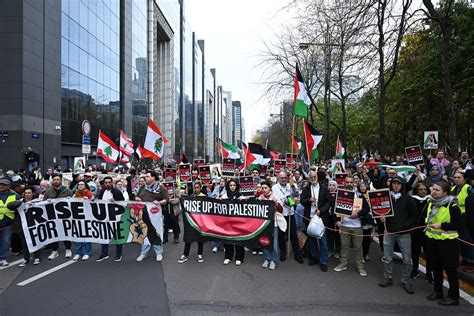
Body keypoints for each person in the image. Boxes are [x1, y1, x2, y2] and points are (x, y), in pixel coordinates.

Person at [425, 181, 463, 306]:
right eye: (433, 189)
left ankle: (453, 297)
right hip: (432, 240)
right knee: (436, 267)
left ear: (445, 193)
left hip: (448, 242)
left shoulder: (452, 205)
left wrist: (442, 225)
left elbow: (459, 225)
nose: (433, 192)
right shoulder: (431, 201)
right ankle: (438, 291)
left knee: (450, 270)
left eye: (437, 190)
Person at [379, 176, 417, 294]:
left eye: (398, 184)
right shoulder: (386, 198)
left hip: (404, 233)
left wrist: (405, 226)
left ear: (402, 186)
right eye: (394, 183)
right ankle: (388, 277)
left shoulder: (408, 199)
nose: (396, 186)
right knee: (387, 258)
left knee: (407, 259)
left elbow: (414, 216)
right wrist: (380, 217)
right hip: (388, 232)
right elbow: (378, 210)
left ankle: (406, 281)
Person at [333, 176, 369, 277]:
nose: (349, 184)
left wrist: (358, 214)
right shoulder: (339, 195)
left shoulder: (359, 195)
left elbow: (366, 209)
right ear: (344, 183)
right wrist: (336, 221)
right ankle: (343, 263)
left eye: (350, 182)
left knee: (358, 247)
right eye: (347, 182)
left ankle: (360, 267)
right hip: (344, 225)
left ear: (354, 183)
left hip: (357, 226)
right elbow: (334, 209)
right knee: (344, 246)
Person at [300, 171, 332, 272]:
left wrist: (321, 211)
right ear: (309, 178)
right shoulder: (306, 188)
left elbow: (329, 202)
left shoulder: (324, 188)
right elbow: (302, 201)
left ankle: (323, 261)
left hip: (321, 218)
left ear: (317, 177)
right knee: (312, 239)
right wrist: (309, 200)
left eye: (314, 176)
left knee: (323, 240)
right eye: (311, 177)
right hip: (309, 217)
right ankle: (314, 257)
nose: (313, 178)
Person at [135, 171, 168, 262]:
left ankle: (158, 253)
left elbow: (166, 199)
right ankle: (144, 253)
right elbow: (137, 197)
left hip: (156, 215)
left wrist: (160, 202)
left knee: (156, 232)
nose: (145, 178)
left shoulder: (161, 188)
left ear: (153, 177)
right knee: (144, 233)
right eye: (145, 176)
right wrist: (137, 199)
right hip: (144, 214)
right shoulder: (142, 187)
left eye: (147, 176)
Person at [273, 171, 303, 263]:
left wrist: (293, 200)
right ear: (278, 178)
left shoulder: (292, 186)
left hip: (291, 213)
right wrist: (287, 201)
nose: (283, 179)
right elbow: (276, 200)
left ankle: (297, 254)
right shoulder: (274, 187)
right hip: (281, 214)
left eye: (285, 177)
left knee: (293, 235)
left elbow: (297, 197)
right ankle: (283, 252)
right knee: (282, 235)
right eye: (282, 178)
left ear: (287, 178)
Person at [42, 174, 73, 260]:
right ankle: (54, 250)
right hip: (52, 216)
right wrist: (47, 201)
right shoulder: (48, 191)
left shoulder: (67, 190)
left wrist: (69, 199)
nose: (56, 181)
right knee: (53, 233)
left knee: (65, 232)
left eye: (58, 179)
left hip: (64, 216)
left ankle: (68, 249)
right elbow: (43, 204)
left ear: (61, 180)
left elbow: (73, 202)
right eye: (54, 179)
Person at [95, 176, 125, 262]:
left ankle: (118, 254)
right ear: (104, 183)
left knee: (117, 236)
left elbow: (123, 203)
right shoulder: (102, 192)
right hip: (105, 218)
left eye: (109, 182)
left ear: (112, 183)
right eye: (106, 182)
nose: (107, 184)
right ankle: (104, 254)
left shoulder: (117, 192)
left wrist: (115, 201)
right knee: (104, 236)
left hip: (115, 218)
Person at [410, 182, 433, 282]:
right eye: (421, 189)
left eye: (425, 189)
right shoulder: (412, 200)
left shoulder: (431, 201)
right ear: (416, 190)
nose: (423, 191)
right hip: (415, 230)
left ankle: (429, 272)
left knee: (429, 253)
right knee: (415, 252)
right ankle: (415, 269)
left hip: (427, 230)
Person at [178, 182, 206, 264]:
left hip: (200, 221)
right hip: (191, 220)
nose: (196, 189)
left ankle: (200, 254)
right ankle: (185, 255)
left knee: (200, 238)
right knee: (188, 237)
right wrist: (181, 198)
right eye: (195, 187)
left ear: (200, 188)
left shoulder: (204, 197)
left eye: (198, 187)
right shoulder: (191, 197)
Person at [259, 180, 283, 270]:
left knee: (274, 242)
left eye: (265, 188)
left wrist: (276, 203)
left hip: (274, 223)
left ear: (270, 188)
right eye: (262, 188)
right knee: (264, 241)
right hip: (263, 224)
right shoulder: (260, 197)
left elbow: (281, 210)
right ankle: (267, 258)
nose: (264, 190)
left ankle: (273, 260)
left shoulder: (275, 196)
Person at [221, 179, 246, 266]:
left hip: (238, 222)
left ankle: (239, 257)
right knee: (228, 239)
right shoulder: (224, 196)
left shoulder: (241, 197)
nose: (232, 187)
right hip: (227, 222)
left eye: (234, 185)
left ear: (237, 186)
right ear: (228, 186)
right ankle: (228, 257)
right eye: (231, 185)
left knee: (239, 239)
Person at [0, 179, 21, 266]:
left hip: (8, 222)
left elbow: (19, 207)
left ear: (8, 186)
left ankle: (2, 258)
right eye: (0, 184)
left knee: (6, 241)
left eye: (3, 185)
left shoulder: (15, 195)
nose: (1, 186)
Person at [72, 181, 94, 261]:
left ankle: (86, 252)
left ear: (85, 186)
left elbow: (94, 202)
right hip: (77, 217)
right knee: (78, 235)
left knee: (86, 235)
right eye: (79, 184)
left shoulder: (88, 193)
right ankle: (78, 252)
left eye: (82, 184)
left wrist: (89, 200)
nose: (80, 186)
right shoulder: (75, 194)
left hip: (86, 217)